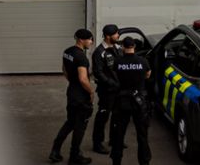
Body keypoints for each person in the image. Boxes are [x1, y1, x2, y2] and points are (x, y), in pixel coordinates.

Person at [49, 29, 95, 165]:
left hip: (71, 92)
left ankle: (55, 150)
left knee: (70, 122)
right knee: (80, 126)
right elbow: (83, 78)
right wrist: (91, 92)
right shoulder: (81, 57)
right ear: (81, 40)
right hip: (81, 96)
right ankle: (75, 156)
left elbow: (64, 69)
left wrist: (71, 82)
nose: (91, 42)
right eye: (90, 39)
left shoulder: (67, 51)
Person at [110, 37, 152, 165]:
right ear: (134, 46)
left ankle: (116, 161)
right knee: (142, 135)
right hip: (139, 101)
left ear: (123, 47)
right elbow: (148, 75)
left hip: (122, 101)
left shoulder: (118, 62)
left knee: (119, 134)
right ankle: (144, 162)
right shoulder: (143, 61)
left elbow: (115, 75)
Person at [92, 24, 122, 154]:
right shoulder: (99, 52)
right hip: (107, 91)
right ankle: (97, 143)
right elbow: (98, 72)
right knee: (103, 116)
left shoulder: (117, 48)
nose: (118, 35)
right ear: (108, 36)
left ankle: (114, 139)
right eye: (116, 34)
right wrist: (111, 83)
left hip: (118, 89)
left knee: (117, 115)